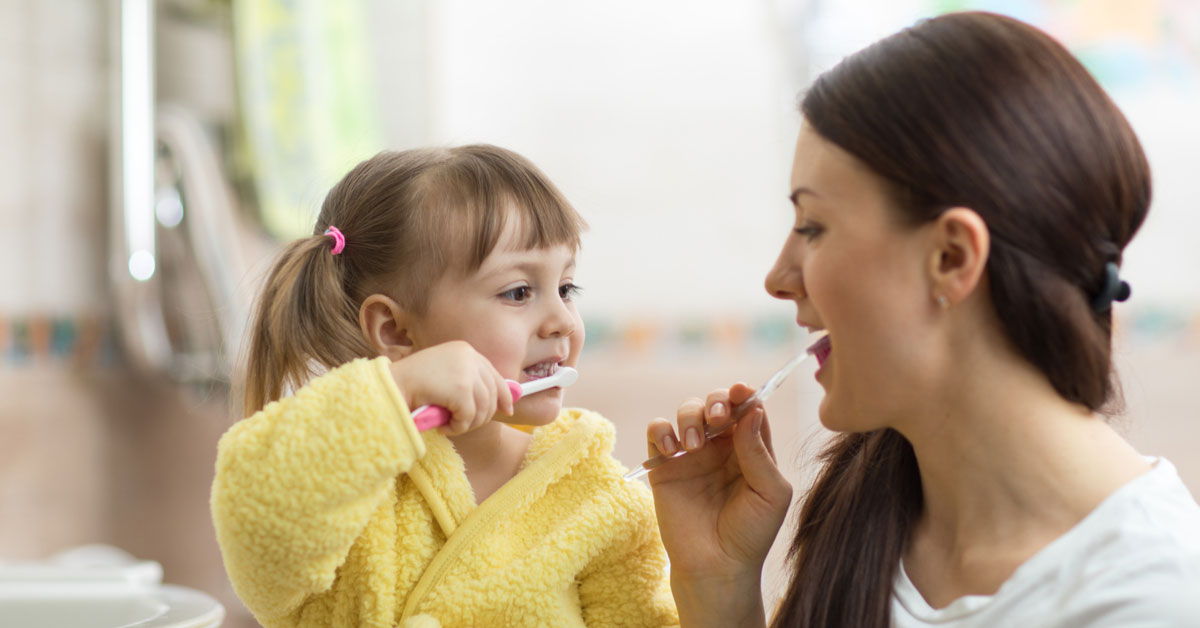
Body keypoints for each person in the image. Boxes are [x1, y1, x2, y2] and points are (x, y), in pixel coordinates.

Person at [644, 11, 1200, 628]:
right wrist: (718, 584)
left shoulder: (1153, 597)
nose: (778, 277)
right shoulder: (867, 509)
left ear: (951, 257)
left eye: (812, 228)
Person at [211, 145, 678, 628]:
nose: (562, 320)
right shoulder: (343, 482)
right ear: (395, 332)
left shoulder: (594, 497)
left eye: (566, 288)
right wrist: (397, 390)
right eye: (518, 292)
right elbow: (256, 519)